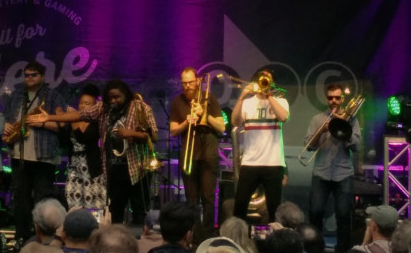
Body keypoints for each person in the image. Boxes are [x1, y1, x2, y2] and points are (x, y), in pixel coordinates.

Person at [27, 79, 158, 227]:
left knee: (139, 210)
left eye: (117, 97)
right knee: (116, 211)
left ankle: (138, 243)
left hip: (137, 168)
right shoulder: (103, 107)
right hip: (113, 169)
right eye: (110, 97)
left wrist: (132, 133)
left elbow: (153, 136)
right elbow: (79, 115)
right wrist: (50, 117)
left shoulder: (140, 107)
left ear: (126, 95)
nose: (113, 100)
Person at [3, 62, 65, 243]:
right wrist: (6, 126)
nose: (29, 78)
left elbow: (62, 124)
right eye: (27, 75)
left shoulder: (53, 96)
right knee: (20, 200)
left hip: (44, 157)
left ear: (43, 76)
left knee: (43, 199)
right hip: (19, 155)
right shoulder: (16, 94)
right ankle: (22, 236)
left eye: (34, 75)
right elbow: (5, 118)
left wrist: (42, 123)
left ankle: (44, 237)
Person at [169, 68, 225, 241]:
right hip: (189, 154)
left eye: (190, 82)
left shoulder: (209, 98)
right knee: (191, 199)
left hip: (208, 153)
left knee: (208, 198)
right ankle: (194, 235)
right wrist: (188, 120)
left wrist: (204, 115)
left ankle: (207, 235)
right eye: (184, 83)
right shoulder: (177, 102)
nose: (187, 86)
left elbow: (222, 127)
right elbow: (173, 131)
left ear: (197, 81)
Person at [304, 83, 361, 253]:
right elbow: (308, 146)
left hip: (343, 173)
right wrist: (322, 130)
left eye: (337, 97)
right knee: (315, 212)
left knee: (343, 215)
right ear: (327, 99)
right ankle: (316, 248)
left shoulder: (353, 120)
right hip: (321, 172)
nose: (334, 101)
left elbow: (357, 147)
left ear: (342, 99)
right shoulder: (317, 119)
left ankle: (342, 249)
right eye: (331, 98)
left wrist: (345, 130)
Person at [231, 70, 289, 222]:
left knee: (274, 208)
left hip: (273, 163)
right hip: (250, 162)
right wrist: (241, 97)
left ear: (273, 83)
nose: (264, 83)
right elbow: (235, 122)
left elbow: (283, 117)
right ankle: (239, 238)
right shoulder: (247, 103)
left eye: (268, 80)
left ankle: (273, 241)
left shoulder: (280, 101)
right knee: (240, 203)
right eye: (262, 80)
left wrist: (270, 96)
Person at [64, 84, 107, 212]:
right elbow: (65, 140)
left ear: (95, 106)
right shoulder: (74, 120)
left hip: (91, 167)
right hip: (75, 167)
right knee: (72, 202)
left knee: (93, 204)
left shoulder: (97, 122)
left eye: (87, 103)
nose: (82, 106)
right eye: (81, 103)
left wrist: (72, 120)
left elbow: (82, 137)